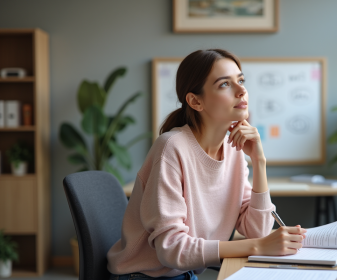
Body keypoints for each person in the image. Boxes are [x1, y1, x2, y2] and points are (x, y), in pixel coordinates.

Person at [107, 49, 307, 280]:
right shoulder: (172, 147)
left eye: (241, 80)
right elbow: (172, 249)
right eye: (225, 84)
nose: (242, 90)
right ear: (195, 101)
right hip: (143, 276)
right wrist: (257, 248)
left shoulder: (233, 151)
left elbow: (256, 230)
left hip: (183, 273)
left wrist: (259, 162)